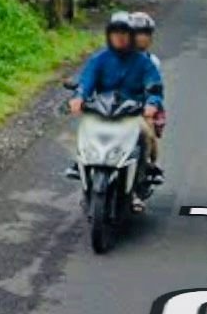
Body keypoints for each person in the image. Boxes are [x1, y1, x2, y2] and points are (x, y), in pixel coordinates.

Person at [69, 12, 163, 208]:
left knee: (146, 134)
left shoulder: (143, 62)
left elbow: (154, 86)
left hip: (133, 113)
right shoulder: (100, 59)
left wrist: (152, 103)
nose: (120, 37)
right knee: (83, 129)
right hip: (101, 110)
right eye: (115, 33)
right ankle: (80, 164)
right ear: (109, 35)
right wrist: (79, 97)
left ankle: (140, 179)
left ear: (131, 36)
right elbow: (86, 80)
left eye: (124, 33)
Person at [128, 11, 166, 169]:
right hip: (115, 104)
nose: (141, 37)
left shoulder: (152, 62)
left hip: (142, 106)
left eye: (145, 33)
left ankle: (150, 165)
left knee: (147, 130)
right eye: (137, 33)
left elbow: (156, 88)